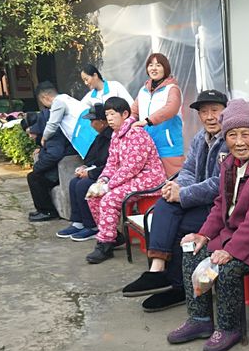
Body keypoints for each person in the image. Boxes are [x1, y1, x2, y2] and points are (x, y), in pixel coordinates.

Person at [167, 99, 249, 351]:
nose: (239, 142)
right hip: (236, 235)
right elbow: (220, 206)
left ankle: (229, 327)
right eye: (232, 135)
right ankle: (200, 319)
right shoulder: (228, 164)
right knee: (192, 251)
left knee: (226, 268)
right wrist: (203, 235)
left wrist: (231, 250)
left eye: (246, 134)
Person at [121, 89, 229, 312]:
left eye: (215, 110)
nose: (209, 116)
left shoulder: (231, 139)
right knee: (164, 203)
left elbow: (219, 184)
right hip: (200, 201)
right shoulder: (200, 137)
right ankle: (158, 270)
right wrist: (178, 187)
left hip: (221, 207)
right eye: (204, 112)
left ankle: (177, 286)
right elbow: (188, 170)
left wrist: (184, 194)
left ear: (226, 112)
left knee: (179, 225)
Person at [85, 97, 165, 264]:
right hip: (130, 178)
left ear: (125, 114)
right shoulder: (116, 135)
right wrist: (102, 181)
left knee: (109, 199)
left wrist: (109, 186)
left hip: (148, 178)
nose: (109, 119)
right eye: (107, 115)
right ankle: (114, 236)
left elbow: (132, 167)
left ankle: (105, 245)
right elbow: (111, 163)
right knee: (93, 196)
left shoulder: (136, 133)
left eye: (113, 114)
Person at [55, 103, 113, 241]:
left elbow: (111, 164)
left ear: (102, 121)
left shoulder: (113, 137)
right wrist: (84, 167)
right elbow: (90, 158)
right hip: (98, 171)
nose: (91, 124)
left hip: (108, 174)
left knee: (83, 185)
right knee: (74, 182)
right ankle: (78, 222)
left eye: (93, 121)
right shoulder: (99, 137)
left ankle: (92, 226)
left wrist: (91, 173)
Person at [130, 53, 184, 176]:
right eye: (150, 65)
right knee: (151, 182)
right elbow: (134, 112)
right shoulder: (143, 91)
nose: (154, 68)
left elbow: (171, 108)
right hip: (146, 147)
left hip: (168, 147)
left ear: (166, 68)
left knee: (174, 181)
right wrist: (126, 125)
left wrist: (147, 121)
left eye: (158, 65)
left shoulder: (172, 89)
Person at [26, 93, 77, 222]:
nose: (30, 136)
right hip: (58, 166)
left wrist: (37, 167)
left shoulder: (51, 134)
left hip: (61, 169)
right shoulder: (46, 132)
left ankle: (47, 211)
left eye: (30, 133)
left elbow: (54, 154)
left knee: (34, 177)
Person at [36, 81, 98, 160]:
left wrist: (44, 138)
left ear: (45, 97)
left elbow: (52, 124)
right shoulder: (65, 97)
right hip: (91, 129)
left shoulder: (57, 102)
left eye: (41, 101)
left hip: (84, 133)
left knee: (94, 158)